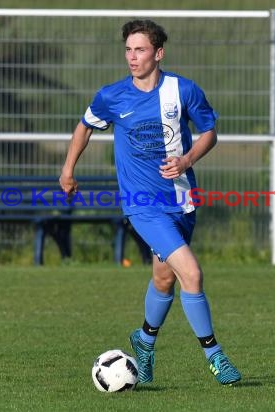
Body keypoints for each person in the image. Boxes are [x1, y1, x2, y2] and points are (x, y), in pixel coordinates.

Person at [59, 19, 241, 386]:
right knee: (191, 272)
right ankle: (215, 355)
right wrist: (68, 170)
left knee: (163, 278)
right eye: (128, 49)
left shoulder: (183, 90)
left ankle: (144, 340)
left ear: (158, 53)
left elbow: (210, 133)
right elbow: (85, 126)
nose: (132, 56)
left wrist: (187, 160)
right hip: (142, 205)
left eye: (140, 49)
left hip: (183, 201)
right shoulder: (112, 96)